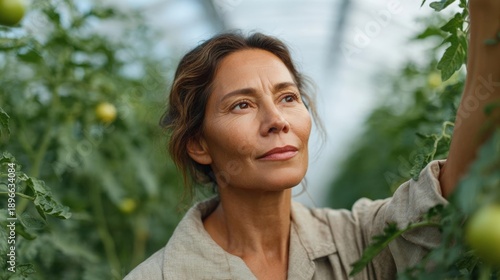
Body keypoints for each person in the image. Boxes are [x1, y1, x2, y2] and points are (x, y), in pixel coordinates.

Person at [125, 1, 500, 279]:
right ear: (198, 145)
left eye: (288, 98)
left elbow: (451, 198)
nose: (276, 121)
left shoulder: (358, 241)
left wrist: (485, 15)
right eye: (242, 105)